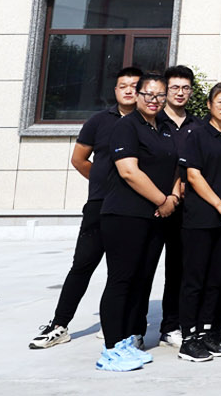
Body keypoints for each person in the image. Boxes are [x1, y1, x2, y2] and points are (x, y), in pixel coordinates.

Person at [30, 66, 140, 351]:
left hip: (132, 210)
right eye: (123, 86)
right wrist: (106, 182)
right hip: (99, 206)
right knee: (82, 265)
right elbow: (79, 160)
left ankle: (115, 325)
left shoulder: (147, 123)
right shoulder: (98, 121)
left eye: (134, 86)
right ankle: (59, 325)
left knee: (122, 272)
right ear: (115, 90)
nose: (129, 90)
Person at [93, 73, 179, 372]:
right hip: (125, 215)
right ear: (138, 95)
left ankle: (128, 339)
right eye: (148, 94)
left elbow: (176, 166)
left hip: (155, 217)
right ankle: (111, 348)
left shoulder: (164, 127)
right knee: (121, 281)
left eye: (160, 95)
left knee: (141, 281)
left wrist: (172, 198)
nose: (154, 100)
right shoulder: (125, 126)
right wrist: (162, 200)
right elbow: (129, 171)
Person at [175, 83, 221, 362]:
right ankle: (188, 339)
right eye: (220, 101)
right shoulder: (196, 134)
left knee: (217, 279)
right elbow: (193, 176)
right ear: (209, 104)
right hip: (201, 219)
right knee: (195, 280)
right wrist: (220, 205)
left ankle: (206, 334)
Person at [156, 65, 200, 346]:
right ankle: (130, 327)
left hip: (186, 209)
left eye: (185, 88)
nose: (180, 93)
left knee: (179, 269)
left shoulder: (198, 125)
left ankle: (171, 325)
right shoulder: (153, 121)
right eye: (175, 87)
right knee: (142, 268)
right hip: (154, 204)